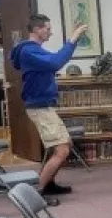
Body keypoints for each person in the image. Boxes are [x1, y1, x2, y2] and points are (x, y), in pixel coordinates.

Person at [10, 14, 88, 200]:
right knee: (62, 151)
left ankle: (50, 185)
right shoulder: (28, 51)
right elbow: (55, 62)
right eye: (47, 28)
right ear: (36, 29)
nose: (50, 32)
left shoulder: (33, 50)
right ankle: (37, 194)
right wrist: (72, 40)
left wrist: (72, 42)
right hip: (40, 108)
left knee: (63, 146)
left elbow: (54, 61)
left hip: (43, 106)